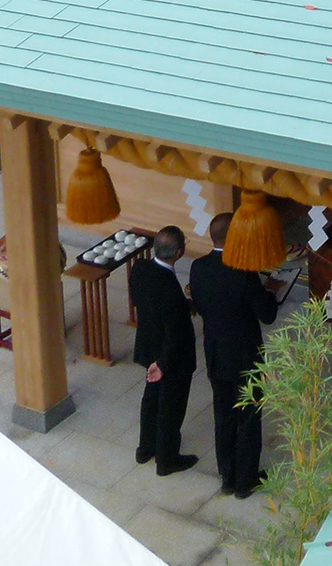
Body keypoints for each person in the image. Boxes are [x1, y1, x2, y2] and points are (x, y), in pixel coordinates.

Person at [188, 210, 280, 499]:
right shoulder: (244, 274)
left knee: (223, 414)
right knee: (249, 417)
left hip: (216, 352)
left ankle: (227, 476)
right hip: (245, 357)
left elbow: (201, 306)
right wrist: (271, 293)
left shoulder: (198, 267)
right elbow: (266, 315)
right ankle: (246, 480)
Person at [128, 225, 197, 475]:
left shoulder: (140, 269)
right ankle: (167, 459)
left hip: (149, 345)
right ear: (180, 252)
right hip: (170, 359)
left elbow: (147, 303)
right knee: (171, 406)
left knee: (151, 399)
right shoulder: (168, 289)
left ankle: (145, 448)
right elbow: (176, 334)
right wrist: (163, 365)